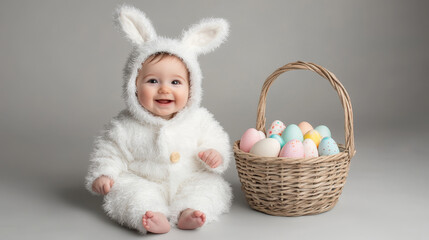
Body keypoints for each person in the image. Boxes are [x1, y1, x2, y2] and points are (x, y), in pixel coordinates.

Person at [85, 5, 232, 234]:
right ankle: (148, 214)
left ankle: (191, 210)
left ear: (192, 87)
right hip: (143, 181)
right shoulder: (125, 125)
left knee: (213, 187)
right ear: (133, 84)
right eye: (153, 81)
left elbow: (217, 139)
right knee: (125, 193)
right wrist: (104, 174)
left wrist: (214, 153)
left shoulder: (199, 119)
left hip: (189, 179)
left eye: (175, 82)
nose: (164, 89)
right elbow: (109, 151)